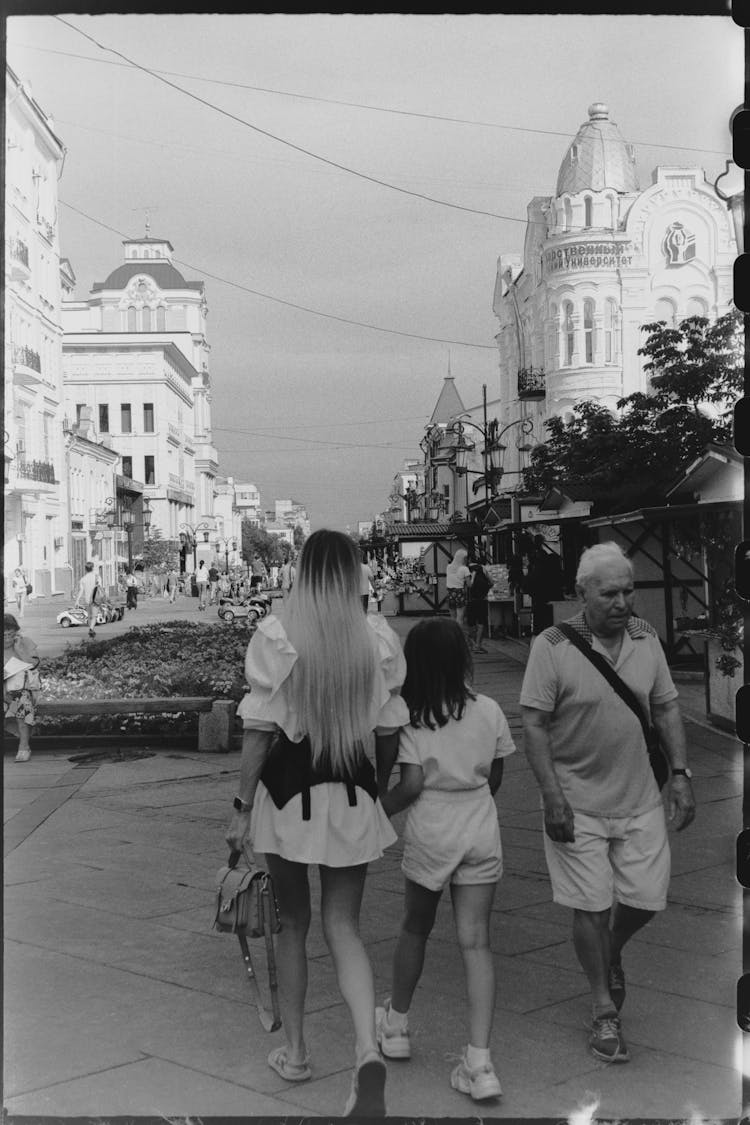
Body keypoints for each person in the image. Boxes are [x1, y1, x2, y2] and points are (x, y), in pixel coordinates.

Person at [226, 529, 408, 1117]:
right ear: (354, 574)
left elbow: (260, 733)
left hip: (287, 803)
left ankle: (298, 1052)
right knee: (344, 928)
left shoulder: (279, 637)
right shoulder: (376, 639)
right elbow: (387, 734)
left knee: (293, 925)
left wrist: (241, 806)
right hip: (352, 794)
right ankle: (365, 1052)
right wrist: (375, 790)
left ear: (304, 574)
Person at [520, 541, 696, 1065]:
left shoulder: (645, 640)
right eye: (610, 593)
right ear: (583, 594)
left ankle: (610, 952)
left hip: (640, 796)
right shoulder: (551, 646)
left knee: (646, 898)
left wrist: (681, 776)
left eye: (629, 591)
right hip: (576, 801)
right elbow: (533, 723)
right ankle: (603, 1011)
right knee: (591, 906)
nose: (622, 603)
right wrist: (551, 795)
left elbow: (665, 709)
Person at [376, 618, 516, 1102]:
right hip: (479, 824)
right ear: (463, 660)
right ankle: (480, 1064)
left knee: (415, 927)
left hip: (432, 826)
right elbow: (494, 777)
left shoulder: (411, 718)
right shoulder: (490, 710)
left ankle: (395, 1026)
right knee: (476, 943)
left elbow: (411, 786)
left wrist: (378, 812)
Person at [4, 613, 41, 762]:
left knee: (21, 699)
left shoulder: (25, 642)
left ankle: (24, 746)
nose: (6, 633)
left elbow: (34, 666)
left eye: (10, 630)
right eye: (3, 630)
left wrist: (19, 650)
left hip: (26, 689)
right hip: (4, 691)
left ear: (16, 631)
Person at [524, 535, 564, 635]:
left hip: (538, 601)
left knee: (538, 629)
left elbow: (527, 586)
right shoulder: (551, 572)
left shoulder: (535, 568)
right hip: (549, 602)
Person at [466, 555, 493, 653]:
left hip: (471, 599)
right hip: (482, 599)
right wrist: (485, 590)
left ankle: (472, 645)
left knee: (471, 623)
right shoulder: (483, 568)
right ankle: (478, 645)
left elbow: (468, 585)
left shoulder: (466, 569)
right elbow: (492, 582)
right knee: (481, 622)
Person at [445, 548, 471, 628]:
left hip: (450, 594)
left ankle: (453, 636)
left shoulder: (449, 567)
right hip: (460, 594)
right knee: (460, 618)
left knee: (453, 618)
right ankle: (459, 636)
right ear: (464, 558)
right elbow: (469, 585)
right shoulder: (464, 569)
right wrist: (473, 576)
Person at [75, 560, 101, 638]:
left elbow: (81, 590)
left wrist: (77, 601)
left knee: (89, 616)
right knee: (94, 616)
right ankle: (91, 629)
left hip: (87, 599)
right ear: (92, 568)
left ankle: (90, 629)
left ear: (85, 569)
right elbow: (100, 587)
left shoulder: (83, 579)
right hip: (95, 598)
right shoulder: (97, 577)